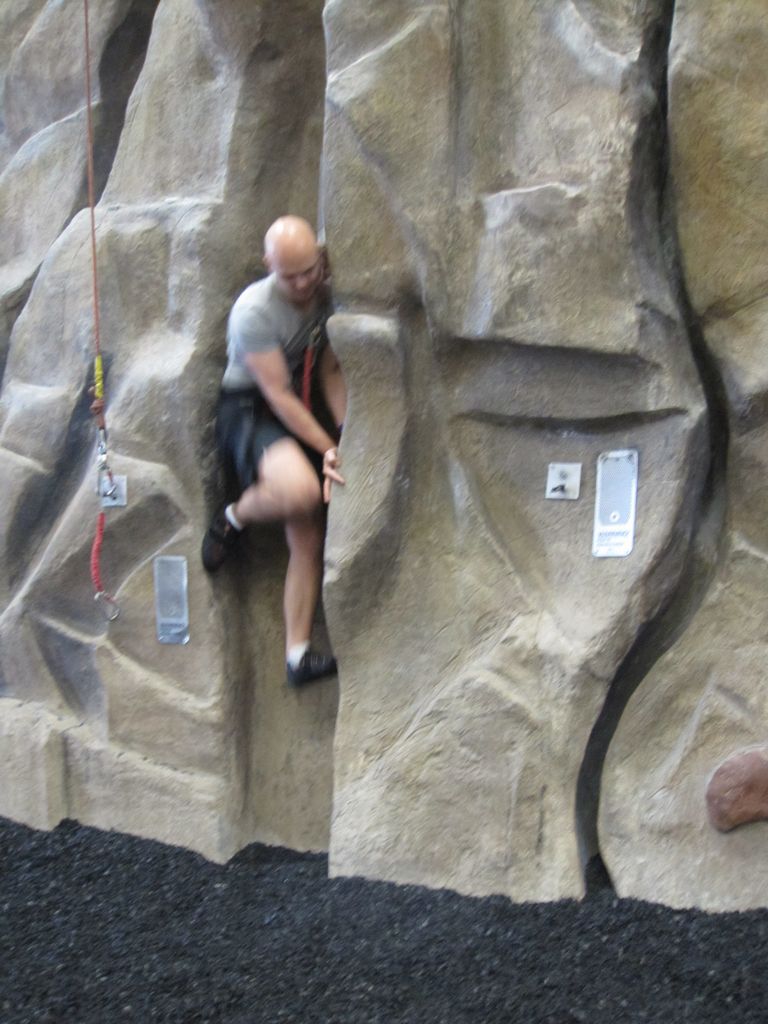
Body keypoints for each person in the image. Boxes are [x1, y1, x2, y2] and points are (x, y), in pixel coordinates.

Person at [202, 215, 346, 686]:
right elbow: (278, 395)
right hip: (251, 409)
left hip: (299, 407)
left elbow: (329, 369)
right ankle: (234, 516)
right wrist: (327, 448)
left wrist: (345, 434)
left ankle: (297, 657)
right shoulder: (253, 312)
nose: (304, 284)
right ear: (268, 264)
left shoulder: (326, 291)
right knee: (301, 490)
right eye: (291, 276)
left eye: (310, 271)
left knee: (308, 530)